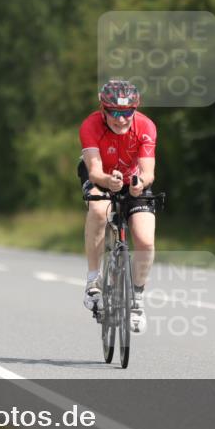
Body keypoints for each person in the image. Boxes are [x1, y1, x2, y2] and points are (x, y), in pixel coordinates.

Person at [77, 79, 157, 333]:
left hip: (133, 180)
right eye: (114, 112)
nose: (121, 119)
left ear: (135, 109)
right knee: (98, 210)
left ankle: (137, 300)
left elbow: (148, 172)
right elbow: (94, 170)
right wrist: (107, 182)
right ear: (103, 109)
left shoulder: (146, 126)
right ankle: (93, 280)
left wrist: (139, 183)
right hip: (101, 176)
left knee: (145, 241)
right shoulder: (90, 125)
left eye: (127, 112)